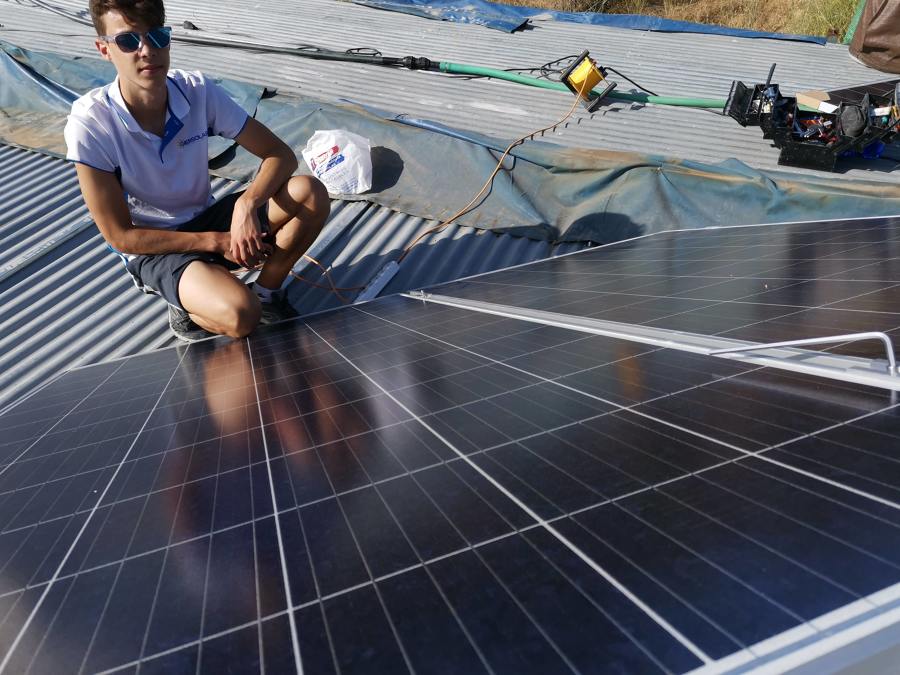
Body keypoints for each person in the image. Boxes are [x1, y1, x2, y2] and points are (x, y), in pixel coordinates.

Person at [64, 0, 330, 341]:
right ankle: (186, 303)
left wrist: (247, 206)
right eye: (129, 41)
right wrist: (218, 242)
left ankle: (268, 294)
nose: (147, 51)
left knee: (309, 193)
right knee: (240, 314)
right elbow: (120, 236)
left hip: (205, 220)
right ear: (104, 49)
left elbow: (279, 154)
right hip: (155, 248)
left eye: (158, 37)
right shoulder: (92, 123)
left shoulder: (196, 91)